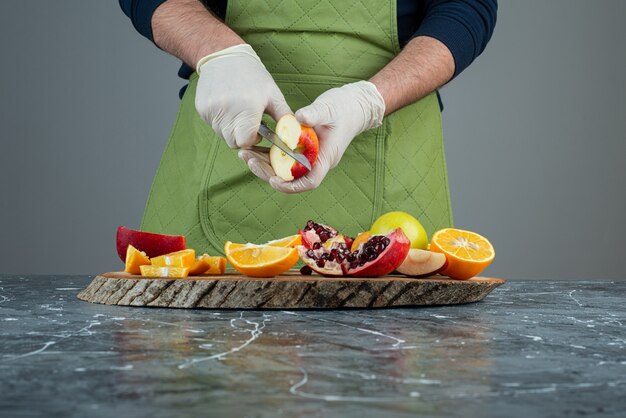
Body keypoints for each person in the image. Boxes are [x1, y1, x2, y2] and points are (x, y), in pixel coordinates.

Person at [119, 0, 497, 255]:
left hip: (392, 152)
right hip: (223, 142)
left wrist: (371, 101)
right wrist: (218, 53)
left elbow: (465, 7)